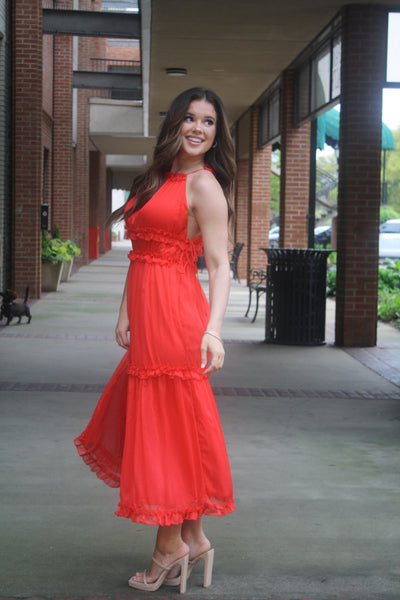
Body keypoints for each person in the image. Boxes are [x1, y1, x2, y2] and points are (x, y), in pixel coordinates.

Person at [74, 87, 236, 593]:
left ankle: (169, 548)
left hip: (177, 317)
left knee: (165, 429)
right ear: (174, 123)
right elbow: (139, 252)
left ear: (216, 134)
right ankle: (195, 536)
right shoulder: (156, 178)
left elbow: (218, 265)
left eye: (208, 122)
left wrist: (212, 329)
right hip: (147, 316)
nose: (197, 128)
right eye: (190, 118)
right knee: (169, 424)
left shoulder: (206, 187)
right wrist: (125, 312)